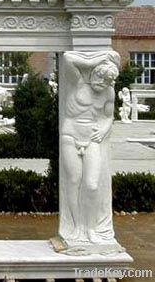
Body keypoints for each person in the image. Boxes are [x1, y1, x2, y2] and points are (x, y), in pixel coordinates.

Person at [60, 51, 119, 245]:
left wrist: (103, 130)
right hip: (70, 135)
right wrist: (94, 61)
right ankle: (76, 227)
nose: (100, 84)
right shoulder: (77, 82)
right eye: (99, 77)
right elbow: (68, 58)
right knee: (74, 181)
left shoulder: (108, 92)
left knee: (92, 185)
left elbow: (108, 117)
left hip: (92, 138)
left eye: (105, 82)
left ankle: (91, 228)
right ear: (93, 73)